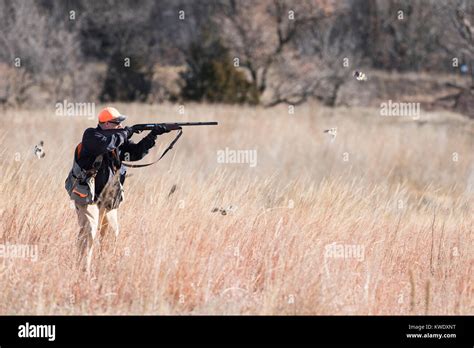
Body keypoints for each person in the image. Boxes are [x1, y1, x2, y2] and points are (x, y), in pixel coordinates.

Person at [65, 107, 170, 272]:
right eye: (117, 123)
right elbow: (104, 146)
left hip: (108, 194)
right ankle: (82, 272)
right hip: (87, 193)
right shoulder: (91, 135)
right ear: (106, 124)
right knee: (90, 230)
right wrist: (127, 132)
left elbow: (135, 154)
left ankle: (104, 271)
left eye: (122, 123)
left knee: (112, 233)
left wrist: (153, 135)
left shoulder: (118, 138)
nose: (121, 126)